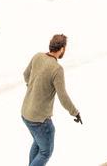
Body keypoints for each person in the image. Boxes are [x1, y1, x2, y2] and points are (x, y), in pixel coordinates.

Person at [22, 34, 81, 166]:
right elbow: (63, 96)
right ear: (61, 49)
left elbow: (26, 75)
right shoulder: (57, 69)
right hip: (39, 120)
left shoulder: (37, 56)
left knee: (38, 143)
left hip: (25, 113)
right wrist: (75, 112)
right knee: (45, 152)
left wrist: (33, 88)